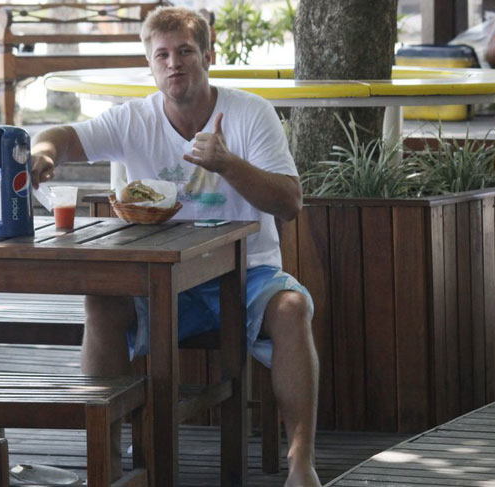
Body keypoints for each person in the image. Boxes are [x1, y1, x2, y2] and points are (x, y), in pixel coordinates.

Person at [29, 7, 321, 486]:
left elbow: (290, 203)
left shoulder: (250, 112)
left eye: (185, 52)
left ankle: (301, 463)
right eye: (161, 54)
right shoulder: (133, 119)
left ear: (208, 55)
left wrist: (228, 163)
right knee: (101, 300)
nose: (173, 64)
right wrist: (44, 154)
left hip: (246, 274)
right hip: (161, 278)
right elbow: (61, 136)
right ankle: (106, 460)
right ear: (150, 63)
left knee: (291, 308)